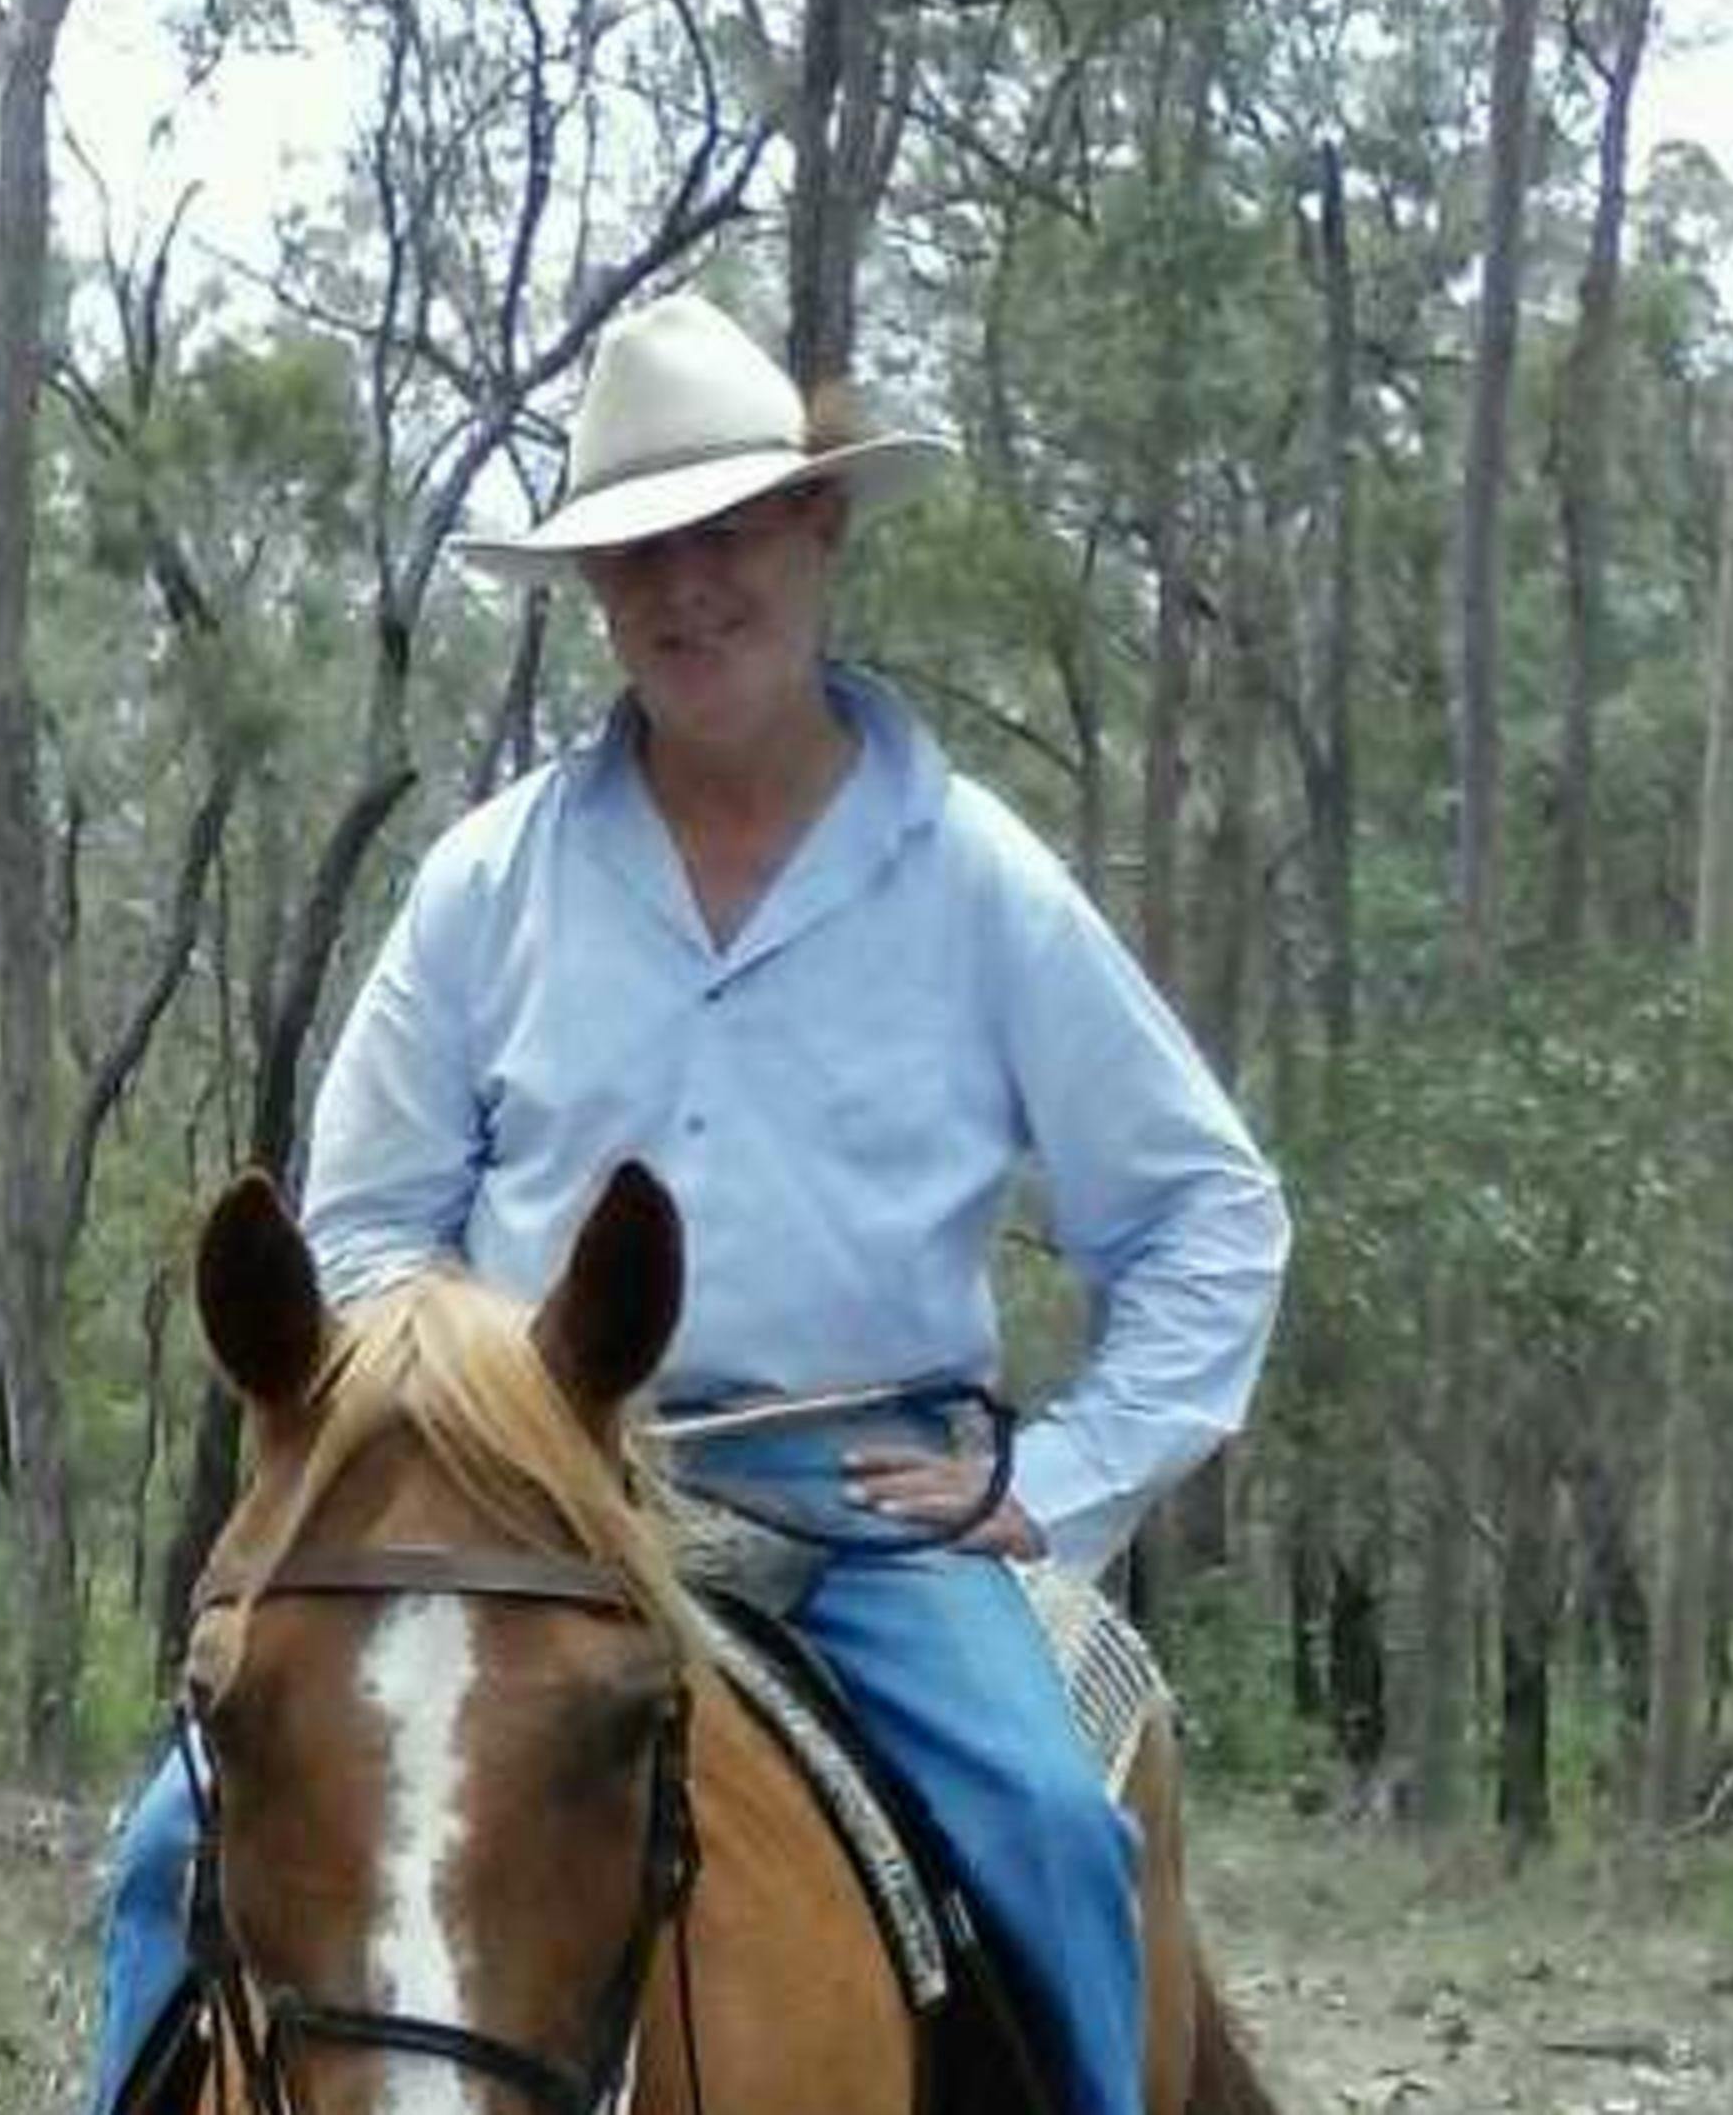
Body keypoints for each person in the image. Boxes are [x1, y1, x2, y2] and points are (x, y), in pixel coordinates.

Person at [87, 292, 1288, 2115]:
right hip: (517, 1512)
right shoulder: (492, 886)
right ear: (593, 590)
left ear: (817, 532)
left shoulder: (977, 887)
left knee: (1053, 1830)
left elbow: (1208, 1218)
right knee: (166, 1855)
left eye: (725, 535)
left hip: (861, 1510)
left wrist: (1053, 1486)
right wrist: (484, 1417)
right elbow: (363, 1229)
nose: (684, 590)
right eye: (638, 555)